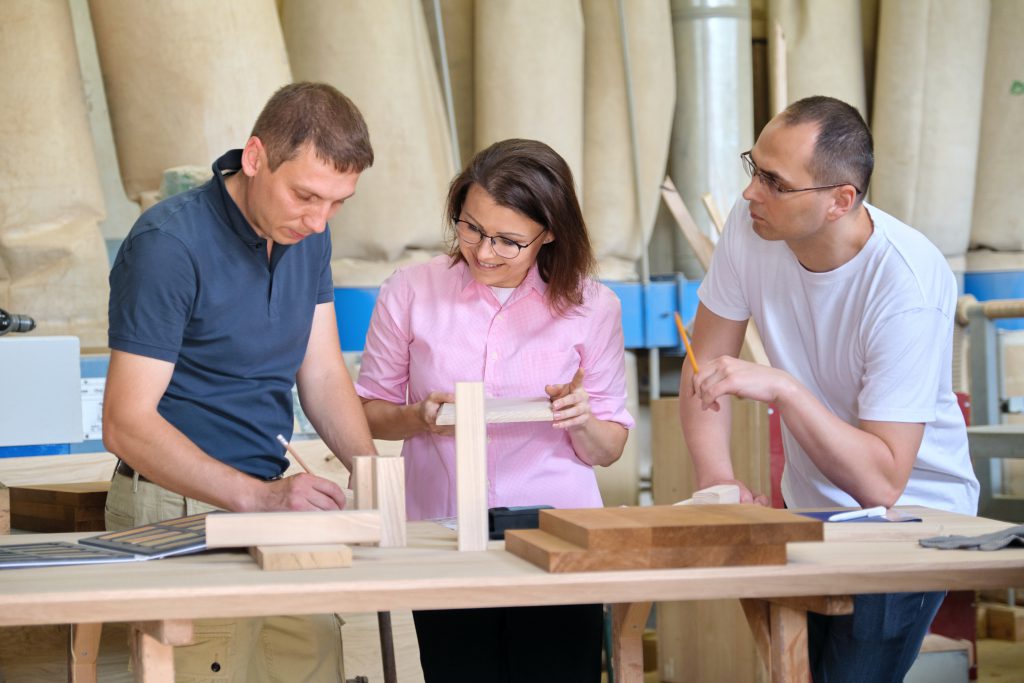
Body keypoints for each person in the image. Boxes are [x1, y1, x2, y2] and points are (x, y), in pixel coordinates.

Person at [678, 95, 980, 682]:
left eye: (774, 181)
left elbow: (884, 481)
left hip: (914, 521)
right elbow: (704, 365)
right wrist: (716, 478)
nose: (749, 194)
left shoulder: (906, 283)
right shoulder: (751, 229)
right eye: (752, 167)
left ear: (841, 200)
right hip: (812, 508)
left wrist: (785, 389)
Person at [103, 82, 377, 683]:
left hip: (270, 501)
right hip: (177, 507)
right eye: (306, 195)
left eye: (337, 203)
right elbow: (125, 424)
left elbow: (325, 373)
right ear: (254, 158)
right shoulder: (168, 245)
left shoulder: (308, 233)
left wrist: (375, 478)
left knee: (311, 661)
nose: (319, 219)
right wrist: (258, 498)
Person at [356, 138, 634, 682]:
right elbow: (369, 410)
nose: (483, 252)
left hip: (560, 536)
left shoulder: (592, 304)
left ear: (549, 232)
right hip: (442, 535)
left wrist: (580, 419)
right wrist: (418, 417)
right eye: (471, 228)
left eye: (509, 241)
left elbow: (609, 449)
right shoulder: (411, 290)